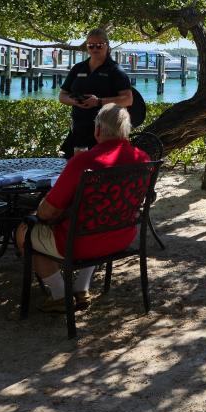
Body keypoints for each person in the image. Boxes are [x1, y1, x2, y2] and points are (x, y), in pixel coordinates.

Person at [16, 104, 150, 313]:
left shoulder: (83, 162)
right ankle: (81, 288)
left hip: (80, 244)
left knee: (26, 232)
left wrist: (38, 215)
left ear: (97, 130)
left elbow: (47, 212)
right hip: (122, 236)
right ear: (126, 131)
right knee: (94, 220)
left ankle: (60, 294)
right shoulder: (142, 158)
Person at [58, 28, 133, 158]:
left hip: (105, 133)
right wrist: (74, 101)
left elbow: (128, 99)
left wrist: (98, 102)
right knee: (74, 167)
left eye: (99, 45)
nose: (94, 49)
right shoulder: (78, 68)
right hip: (78, 129)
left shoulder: (115, 70)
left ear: (107, 46)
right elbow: (62, 96)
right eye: (90, 45)